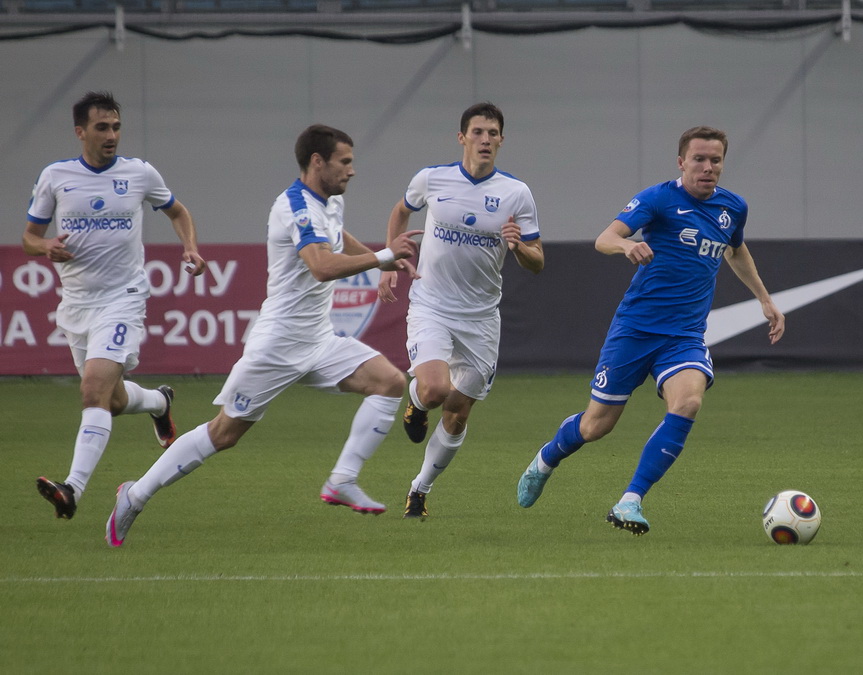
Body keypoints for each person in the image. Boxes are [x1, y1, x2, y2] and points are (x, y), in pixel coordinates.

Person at [104, 124, 420, 547]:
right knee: (224, 434)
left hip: (318, 340)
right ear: (317, 162)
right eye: (345, 162)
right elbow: (322, 266)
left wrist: (378, 261)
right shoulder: (294, 206)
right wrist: (382, 255)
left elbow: (336, 236)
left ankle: (342, 479)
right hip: (278, 345)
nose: (352, 171)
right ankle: (135, 494)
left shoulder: (328, 201)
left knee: (391, 382)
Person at [517, 125, 785, 536]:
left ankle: (630, 501)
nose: (708, 167)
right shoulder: (658, 199)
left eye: (715, 160)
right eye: (699, 159)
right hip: (635, 330)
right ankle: (547, 459)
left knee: (689, 402)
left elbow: (736, 248)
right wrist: (627, 246)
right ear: (681, 162)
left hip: (684, 337)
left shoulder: (734, 208)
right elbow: (605, 238)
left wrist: (764, 298)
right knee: (596, 426)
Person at [24, 90, 207, 521]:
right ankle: (160, 403)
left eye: (117, 127)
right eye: (102, 127)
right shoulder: (56, 177)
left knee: (93, 392)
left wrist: (191, 248)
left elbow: (177, 211)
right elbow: (29, 236)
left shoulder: (139, 174)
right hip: (76, 305)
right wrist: (44, 245)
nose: (111, 135)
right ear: (80, 132)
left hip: (122, 299)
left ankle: (72, 488)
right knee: (115, 400)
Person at [378, 102, 544, 520]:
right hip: (432, 305)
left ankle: (419, 489)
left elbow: (537, 260)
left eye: (492, 133)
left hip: (481, 318)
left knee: (458, 411)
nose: (485, 139)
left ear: (502, 140)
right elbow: (402, 210)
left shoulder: (516, 193)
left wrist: (519, 245)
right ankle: (416, 402)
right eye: (477, 132)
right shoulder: (433, 178)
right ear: (462, 137)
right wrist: (387, 260)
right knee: (435, 390)